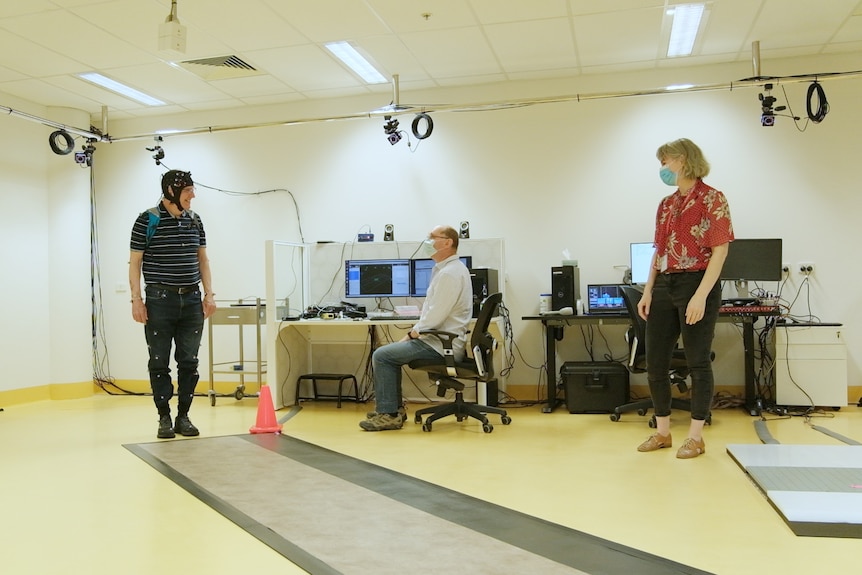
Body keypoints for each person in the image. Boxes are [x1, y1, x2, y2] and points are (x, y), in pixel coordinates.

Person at [636, 139, 734, 459]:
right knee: (656, 363)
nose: (662, 168)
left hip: (697, 281)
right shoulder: (666, 204)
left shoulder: (712, 199)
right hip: (665, 283)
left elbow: (720, 250)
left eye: (666, 161)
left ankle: (695, 437)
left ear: (683, 160)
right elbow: (659, 250)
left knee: (697, 362)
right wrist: (648, 290)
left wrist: (701, 295)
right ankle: (663, 432)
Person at [129, 170, 217, 439]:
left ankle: (184, 416)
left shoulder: (195, 220)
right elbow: (135, 263)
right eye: (188, 190)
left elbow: (203, 260)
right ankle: (164, 417)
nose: (193, 195)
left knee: (189, 361)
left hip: (191, 300)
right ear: (171, 191)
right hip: (159, 301)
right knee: (159, 362)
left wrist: (209, 294)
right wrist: (137, 300)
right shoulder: (147, 220)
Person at [360, 225, 473, 431]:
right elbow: (434, 313)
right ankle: (392, 409)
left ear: (448, 242)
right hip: (440, 340)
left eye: (432, 238)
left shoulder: (449, 274)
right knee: (388, 354)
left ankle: (390, 414)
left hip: (439, 345)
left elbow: (435, 317)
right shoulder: (448, 270)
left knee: (382, 356)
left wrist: (411, 334)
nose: (427, 242)